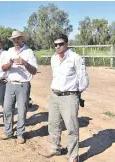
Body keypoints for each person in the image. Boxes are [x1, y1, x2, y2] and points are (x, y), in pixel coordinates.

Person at [43, 34, 89, 162]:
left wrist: (75, 93)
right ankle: (55, 148)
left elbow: (83, 79)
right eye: (55, 45)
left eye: (60, 44)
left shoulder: (75, 58)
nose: (57, 47)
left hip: (69, 97)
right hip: (54, 95)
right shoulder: (53, 58)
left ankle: (73, 156)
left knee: (71, 127)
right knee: (53, 124)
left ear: (67, 43)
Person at [0, 31, 38, 144]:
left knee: (22, 110)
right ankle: (8, 132)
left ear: (22, 39)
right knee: (7, 109)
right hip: (10, 84)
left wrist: (25, 63)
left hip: (23, 85)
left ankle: (20, 134)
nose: (15, 41)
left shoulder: (29, 52)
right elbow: (3, 68)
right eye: (14, 39)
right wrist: (9, 64)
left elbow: (34, 71)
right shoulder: (9, 52)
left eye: (18, 39)